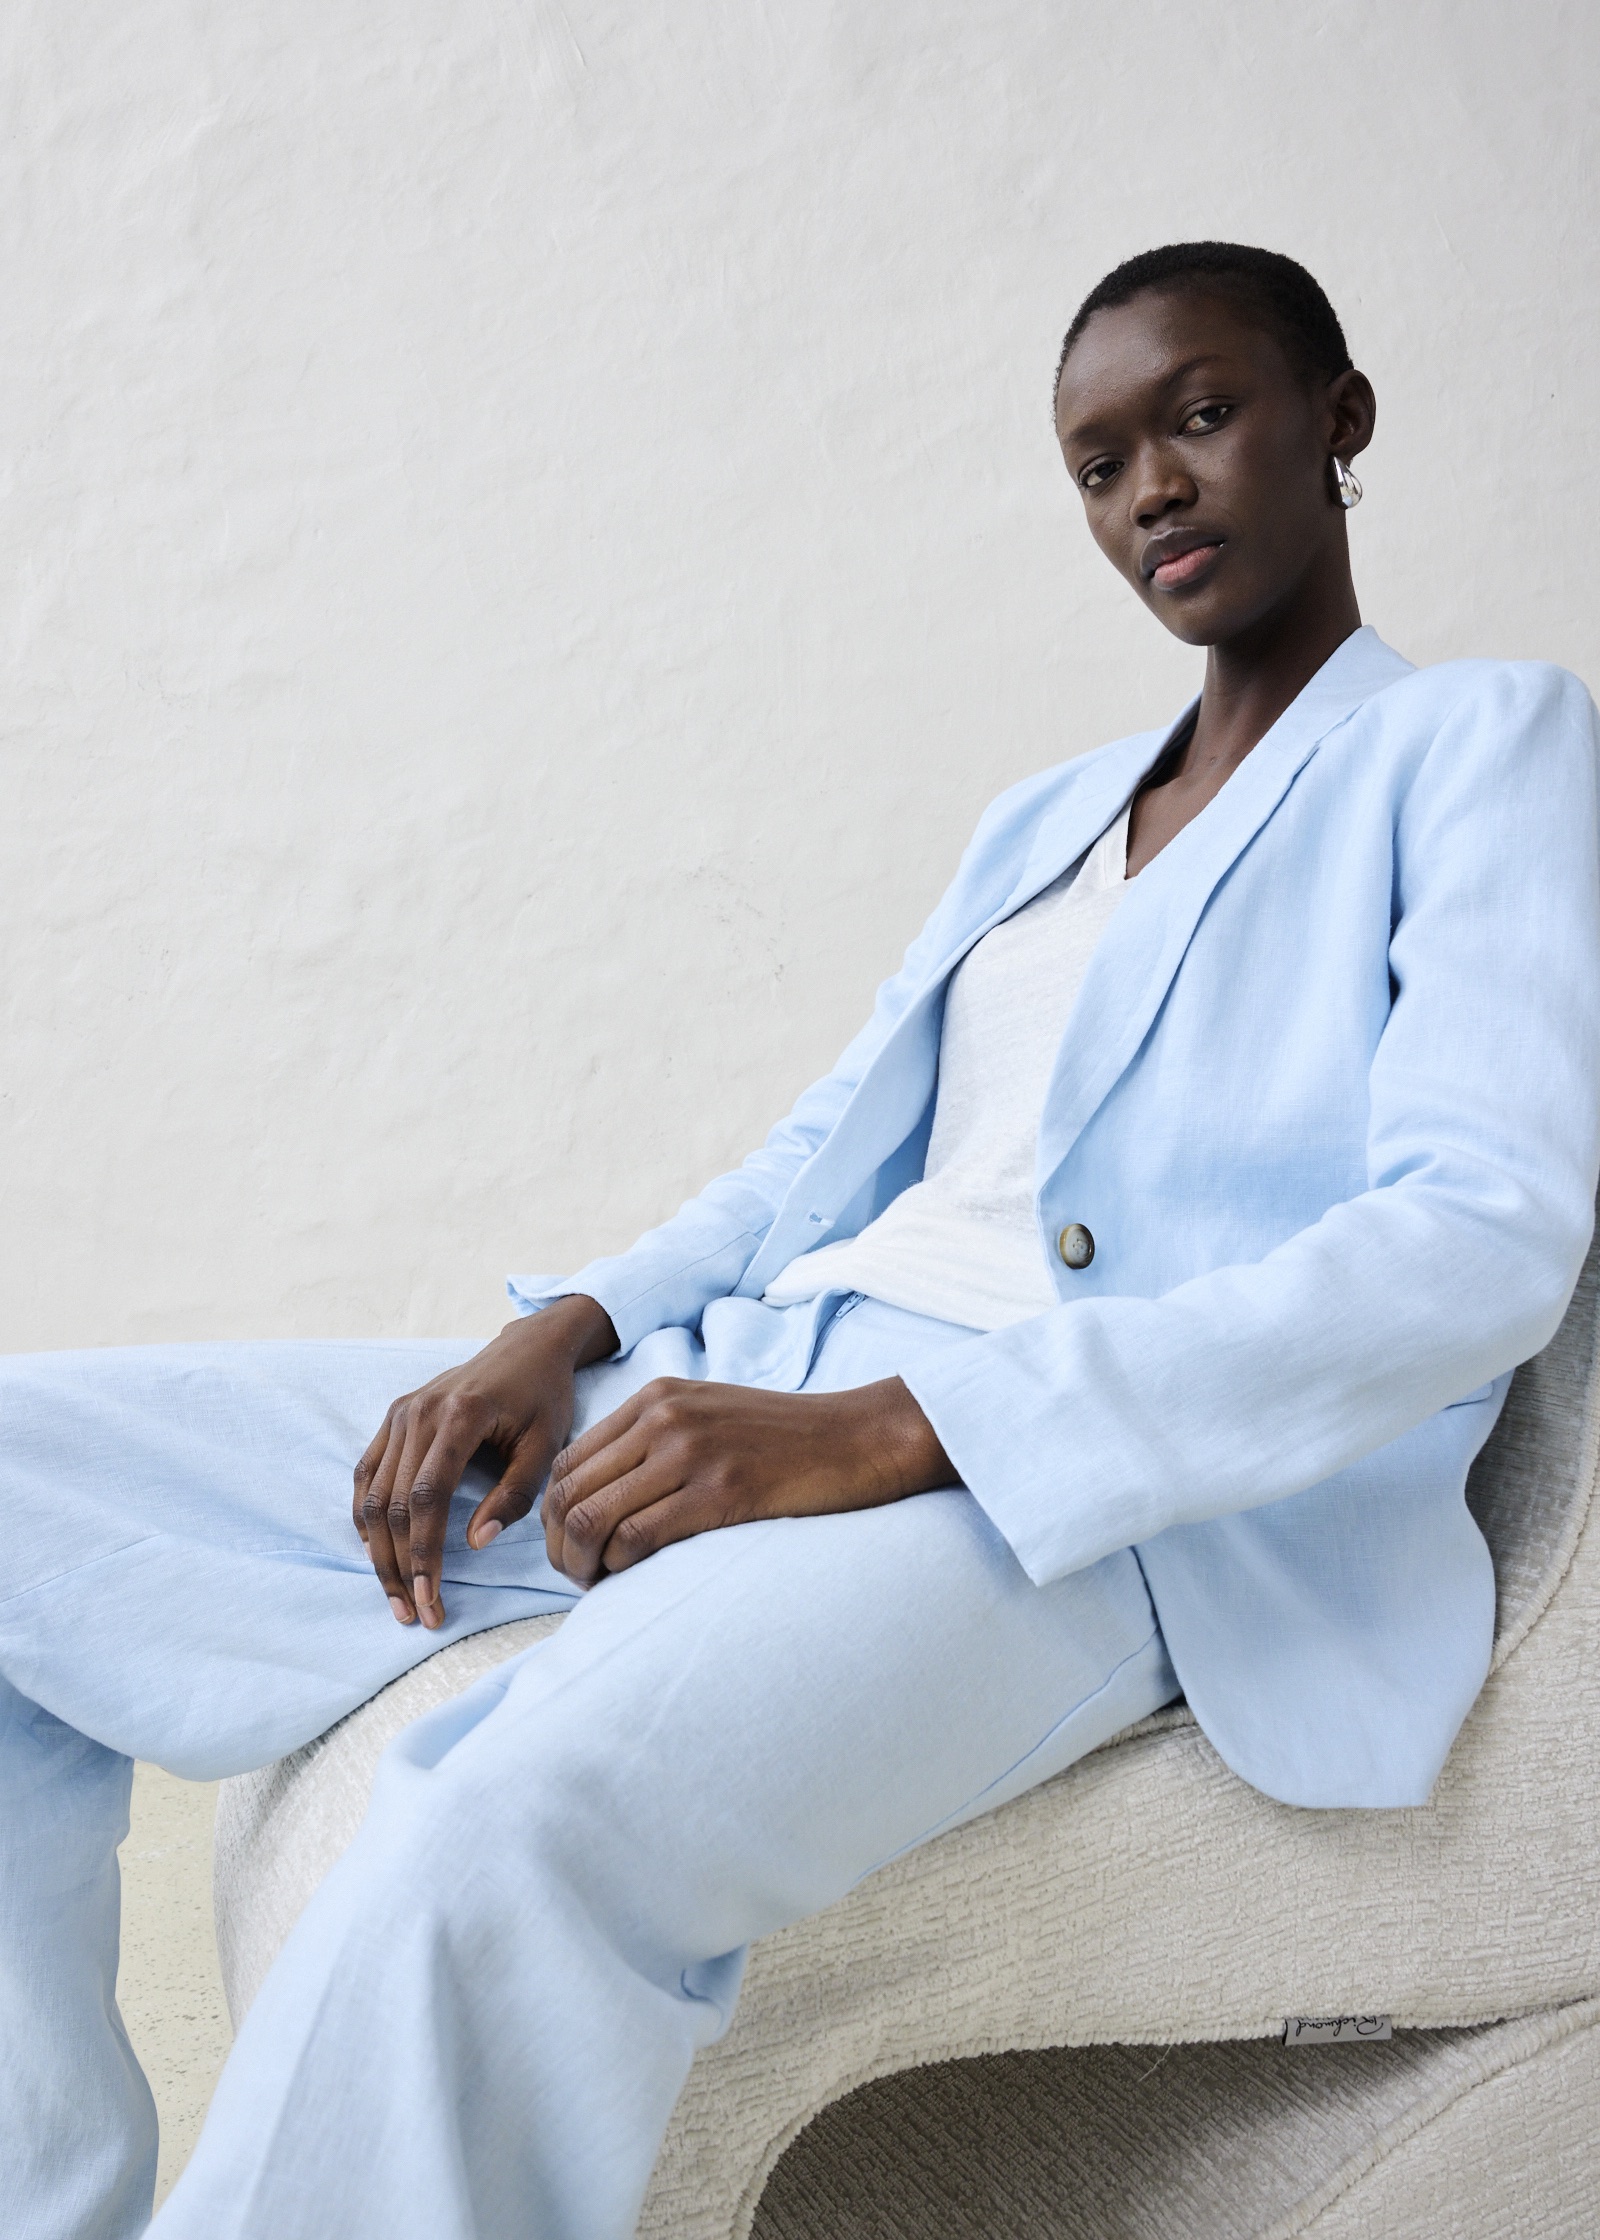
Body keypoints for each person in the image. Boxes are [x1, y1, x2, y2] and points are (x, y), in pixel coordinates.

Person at [4, 241, 1597, 2240]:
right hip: (758, 1372)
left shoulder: (1484, 745)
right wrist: (572, 1325)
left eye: (1200, 416)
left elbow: (1475, 1236)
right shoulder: (1043, 817)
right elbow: (817, 1158)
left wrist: (906, 1426)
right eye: (1100, 464)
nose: (1153, 492)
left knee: (506, 1823)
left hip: (1091, 1506)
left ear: (1337, 418)